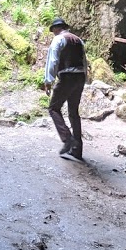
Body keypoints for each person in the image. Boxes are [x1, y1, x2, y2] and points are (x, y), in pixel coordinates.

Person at [43, 17, 88, 161]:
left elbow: (53, 60)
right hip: (80, 77)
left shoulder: (58, 40)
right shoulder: (78, 40)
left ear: (56, 29)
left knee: (54, 108)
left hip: (67, 76)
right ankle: (77, 150)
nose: (53, 33)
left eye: (53, 30)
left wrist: (48, 81)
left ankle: (67, 139)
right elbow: (84, 60)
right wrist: (84, 78)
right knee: (73, 112)